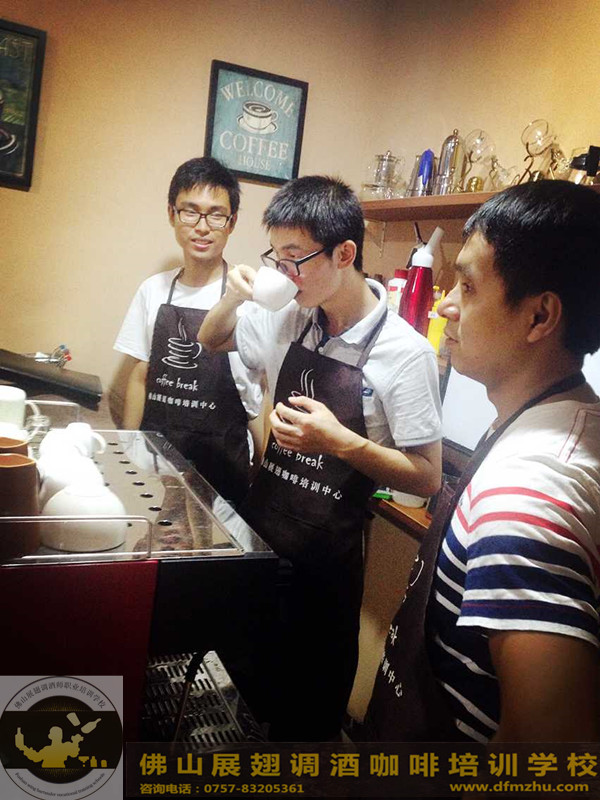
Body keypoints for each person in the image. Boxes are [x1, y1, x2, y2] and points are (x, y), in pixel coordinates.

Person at [198, 175, 443, 741]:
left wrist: (337, 441)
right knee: (241, 699)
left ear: (345, 253)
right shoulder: (288, 316)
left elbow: (428, 477)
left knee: (304, 723)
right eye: (276, 258)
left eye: (296, 258)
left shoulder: (405, 354)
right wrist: (233, 296)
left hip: (325, 572)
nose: (285, 273)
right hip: (261, 544)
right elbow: (211, 339)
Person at [366, 180, 600, 745]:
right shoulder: (564, 418)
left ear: (540, 316)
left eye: (468, 287)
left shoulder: (524, 497)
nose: (445, 305)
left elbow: (549, 750)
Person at [114, 157, 263, 506]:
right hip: (155, 465)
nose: (202, 227)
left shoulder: (248, 297)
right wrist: (127, 450)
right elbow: (141, 374)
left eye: (216, 215)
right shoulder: (152, 290)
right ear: (172, 214)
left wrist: (262, 469)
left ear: (232, 222)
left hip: (225, 467)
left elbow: (257, 396)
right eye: (190, 212)